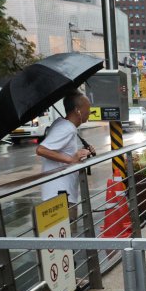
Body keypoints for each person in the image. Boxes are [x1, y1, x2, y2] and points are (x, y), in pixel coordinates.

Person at [36, 91, 93, 220]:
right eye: (87, 108)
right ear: (78, 111)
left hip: (59, 194)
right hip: (60, 196)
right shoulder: (66, 128)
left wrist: (81, 152)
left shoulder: (64, 125)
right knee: (66, 236)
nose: (90, 112)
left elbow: (62, 150)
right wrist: (70, 159)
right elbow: (41, 149)